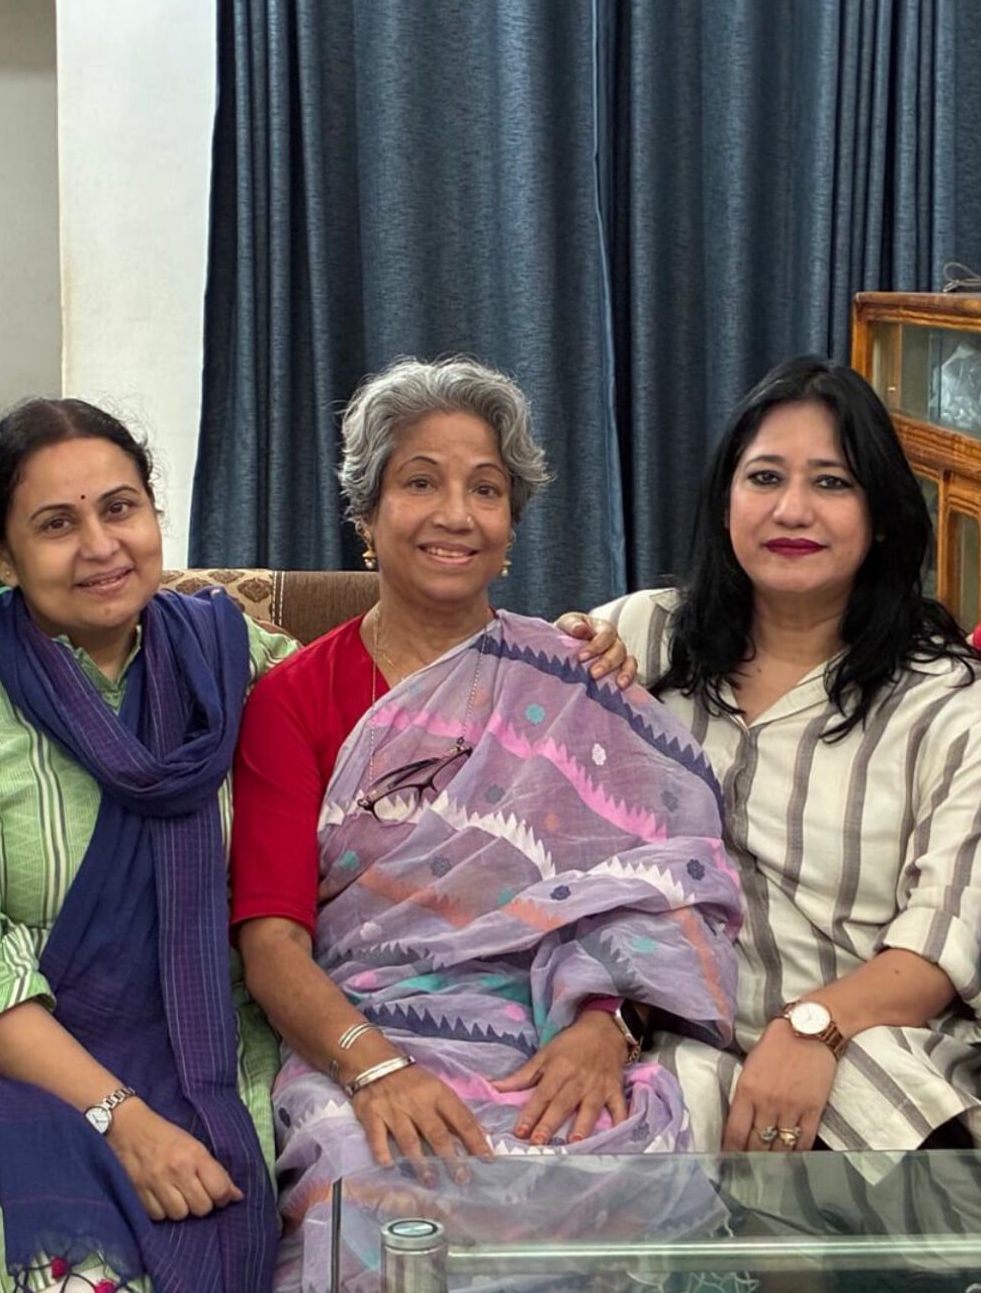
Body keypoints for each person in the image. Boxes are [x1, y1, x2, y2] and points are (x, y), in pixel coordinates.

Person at [230, 357, 742, 1292]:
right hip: (360, 1028)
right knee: (361, 1174)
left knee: (623, 1152)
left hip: (545, 1027)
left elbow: (660, 880)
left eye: (486, 489)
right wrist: (376, 1072)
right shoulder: (293, 699)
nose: (456, 515)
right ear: (366, 516)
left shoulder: (572, 679)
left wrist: (604, 1025)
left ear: (511, 527)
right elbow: (271, 946)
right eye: (420, 482)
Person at [0, 399, 291, 1293]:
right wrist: (123, 1117)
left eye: (120, 509)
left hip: (218, 1049)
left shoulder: (233, 657)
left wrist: (575, 651)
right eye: (56, 525)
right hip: (21, 1074)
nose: (101, 546)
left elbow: (390, 705)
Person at [596, 357, 981, 1156]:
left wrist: (813, 1027)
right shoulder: (641, 639)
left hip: (879, 1033)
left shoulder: (953, 702)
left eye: (832, 483)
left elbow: (945, 941)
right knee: (627, 1123)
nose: (792, 510)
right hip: (678, 1030)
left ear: (882, 514)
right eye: (764, 478)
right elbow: (527, 749)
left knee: (874, 1111)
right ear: (726, 499)